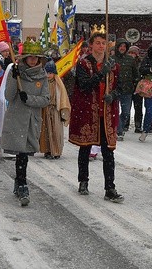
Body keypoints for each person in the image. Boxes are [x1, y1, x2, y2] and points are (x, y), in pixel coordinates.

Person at [68, 31, 124, 203]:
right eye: (98, 43)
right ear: (91, 45)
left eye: (103, 43)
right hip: (88, 112)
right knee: (85, 148)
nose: (101, 46)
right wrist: (101, 74)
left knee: (108, 152)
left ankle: (110, 187)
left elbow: (121, 87)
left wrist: (113, 95)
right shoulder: (84, 63)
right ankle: (83, 181)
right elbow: (84, 85)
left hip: (106, 113)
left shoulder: (113, 65)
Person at [1, 40, 50, 207]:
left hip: (31, 120)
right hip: (16, 118)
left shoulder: (42, 76)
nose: (33, 60)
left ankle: (20, 181)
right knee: (20, 154)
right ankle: (22, 184)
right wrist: (14, 78)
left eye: (36, 57)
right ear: (25, 58)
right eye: (30, 57)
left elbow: (45, 99)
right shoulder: (15, 72)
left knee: (24, 154)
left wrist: (29, 99)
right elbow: (8, 95)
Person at [39, 60, 71, 159]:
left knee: (56, 131)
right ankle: (47, 150)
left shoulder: (58, 84)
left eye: (50, 73)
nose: (48, 75)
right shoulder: (42, 83)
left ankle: (56, 151)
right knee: (45, 132)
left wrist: (63, 111)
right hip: (45, 110)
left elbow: (63, 98)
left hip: (55, 110)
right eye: (47, 73)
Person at [114, 38, 139, 140]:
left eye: (124, 47)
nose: (122, 48)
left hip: (127, 90)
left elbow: (135, 74)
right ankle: (119, 131)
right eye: (121, 46)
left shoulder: (130, 60)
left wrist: (134, 83)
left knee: (126, 112)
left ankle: (119, 126)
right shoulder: (111, 59)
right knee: (115, 110)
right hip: (115, 90)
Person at [128, 46, 144, 133]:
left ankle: (138, 125)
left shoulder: (140, 62)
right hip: (128, 87)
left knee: (138, 107)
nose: (132, 55)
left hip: (138, 88)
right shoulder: (126, 61)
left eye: (133, 53)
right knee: (127, 107)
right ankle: (126, 124)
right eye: (130, 53)